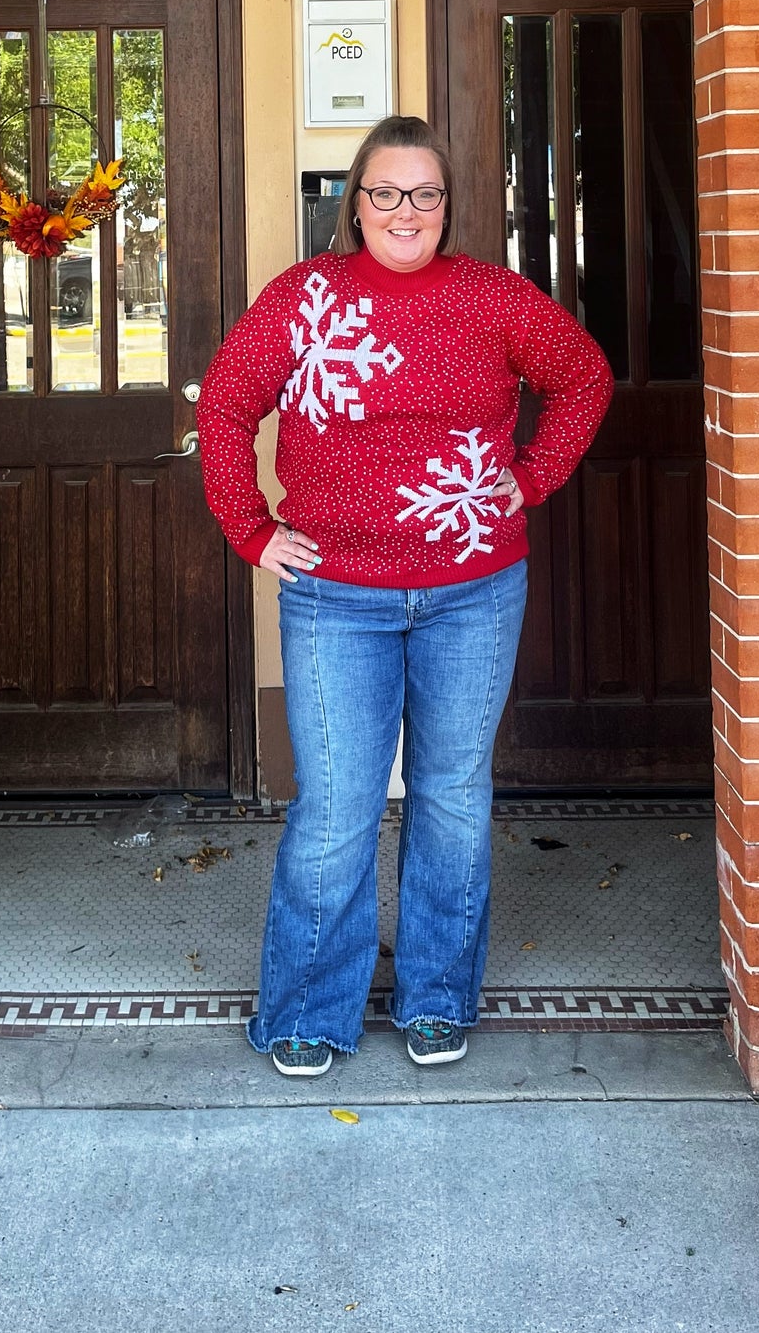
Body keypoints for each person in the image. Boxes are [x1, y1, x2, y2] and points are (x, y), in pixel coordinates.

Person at [197, 114, 612, 1076]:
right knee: (338, 807)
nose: (404, 210)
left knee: (452, 800)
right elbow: (224, 400)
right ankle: (307, 1009)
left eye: (424, 193)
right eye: (385, 191)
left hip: (473, 591)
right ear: (355, 203)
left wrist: (534, 473)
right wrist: (249, 528)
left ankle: (436, 997)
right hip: (335, 592)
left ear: (448, 207)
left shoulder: (491, 297)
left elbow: (583, 376)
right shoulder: (304, 297)